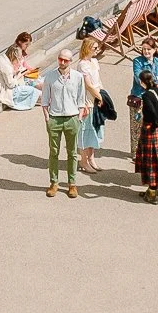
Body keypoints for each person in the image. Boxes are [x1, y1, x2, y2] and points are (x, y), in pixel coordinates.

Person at [41, 48, 91, 197]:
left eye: (66, 60)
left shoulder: (77, 77)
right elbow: (45, 99)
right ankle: (54, 182)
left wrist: (79, 117)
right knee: (54, 152)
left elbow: (81, 99)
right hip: (54, 118)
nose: (62, 62)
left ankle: (72, 184)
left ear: (71, 61)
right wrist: (47, 118)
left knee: (72, 153)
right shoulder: (50, 76)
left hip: (72, 117)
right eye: (60, 59)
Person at [133, 69, 158, 203]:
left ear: (141, 82)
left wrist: (154, 119)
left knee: (151, 162)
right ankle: (151, 191)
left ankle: (152, 193)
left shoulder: (146, 96)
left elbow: (151, 112)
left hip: (150, 129)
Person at [75, 35, 108, 174]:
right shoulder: (82, 64)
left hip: (96, 96)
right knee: (85, 130)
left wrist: (103, 94)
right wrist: (100, 97)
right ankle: (83, 160)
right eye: (94, 48)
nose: (97, 49)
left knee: (95, 129)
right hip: (88, 100)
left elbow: (98, 80)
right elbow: (88, 85)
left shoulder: (94, 61)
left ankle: (91, 158)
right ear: (87, 48)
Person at [0, 44, 40, 110]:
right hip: (4, 93)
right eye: (19, 58)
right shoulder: (6, 67)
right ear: (15, 57)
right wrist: (18, 76)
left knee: (29, 81)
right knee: (33, 91)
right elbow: (11, 84)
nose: (19, 60)